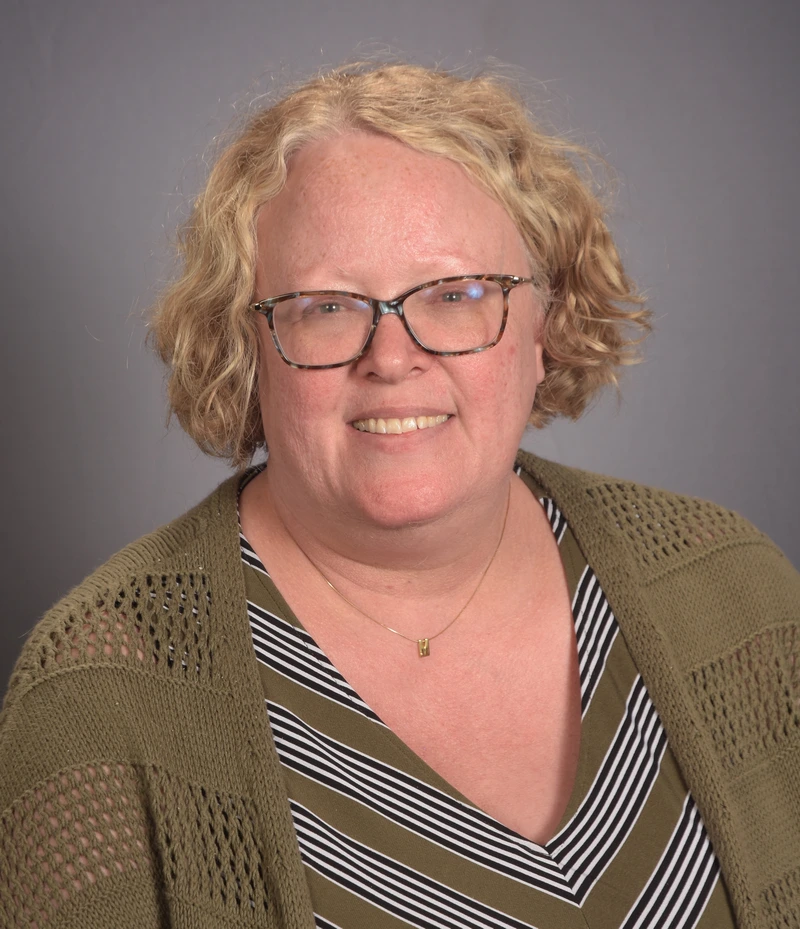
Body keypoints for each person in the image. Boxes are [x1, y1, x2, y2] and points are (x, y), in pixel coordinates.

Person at [1, 61, 797, 929]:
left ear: (546, 326)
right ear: (247, 348)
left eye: (457, 295)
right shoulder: (101, 694)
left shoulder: (736, 595)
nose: (391, 357)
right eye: (325, 307)